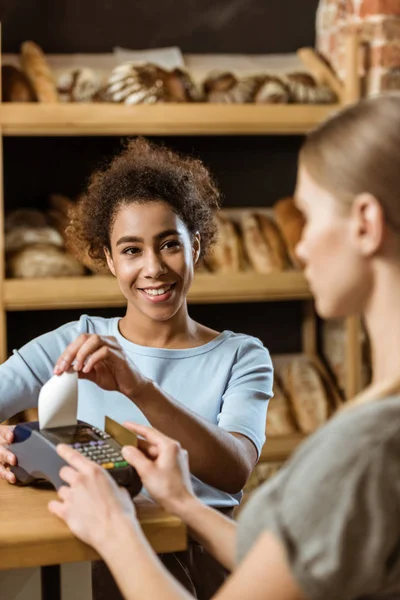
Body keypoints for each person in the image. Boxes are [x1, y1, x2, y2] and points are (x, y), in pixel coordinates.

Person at [48, 92, 400, 600]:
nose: (297, 247)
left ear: (365, 223)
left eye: (306, 215)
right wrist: (185, 503)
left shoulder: (366, 448)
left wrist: (113, 527)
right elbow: (290, 568)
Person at [0, 138, 272, 599]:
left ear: (195, 246)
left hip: (199, 561)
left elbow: (234, 470)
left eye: (169, 244)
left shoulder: (241, 355)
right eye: (130, 250)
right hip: (87, 557)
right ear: (108, 258)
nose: (153, 268)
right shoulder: (74, 342)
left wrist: (140, 388)